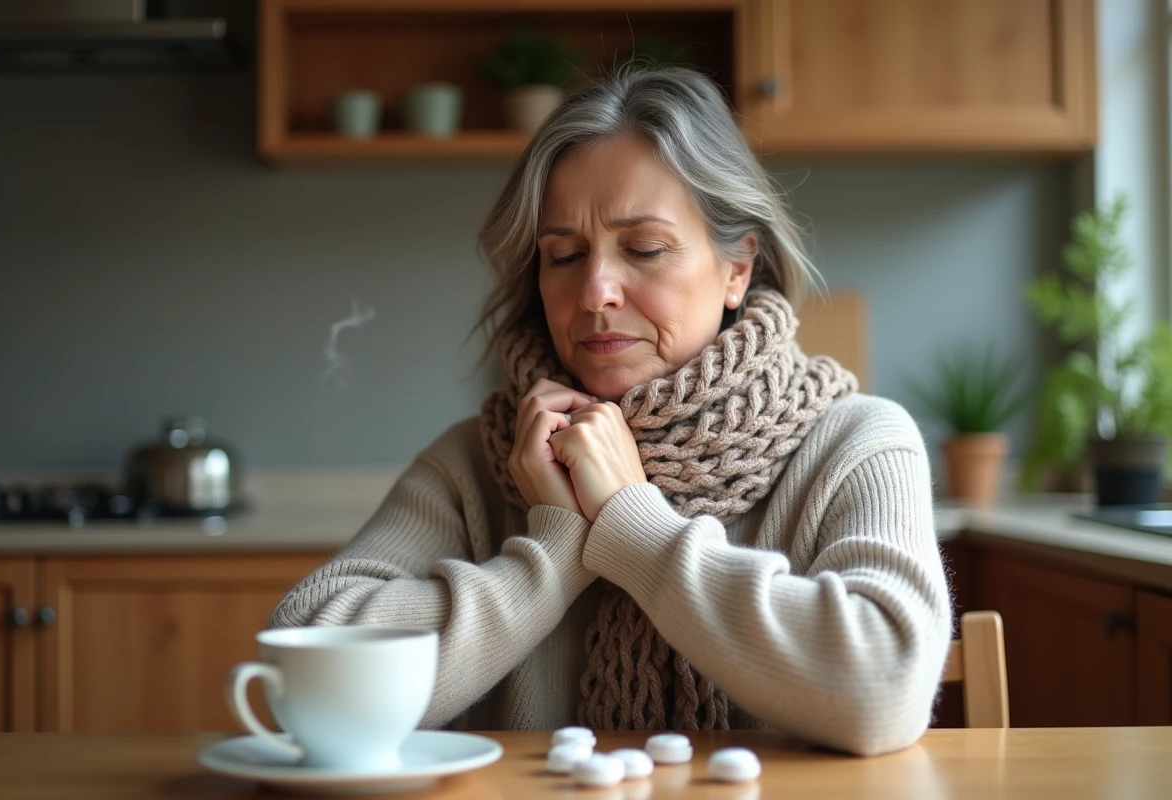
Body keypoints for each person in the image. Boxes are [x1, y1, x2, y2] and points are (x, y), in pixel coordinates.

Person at [270, 66, 951, 757]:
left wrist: (632, 526)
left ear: (737, 268)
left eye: (644, 249)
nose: (595, 292)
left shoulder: (857, 443)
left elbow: (885, 688)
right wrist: (554, 549)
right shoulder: (476, 462)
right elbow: (300, 675)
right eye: (563, 255)